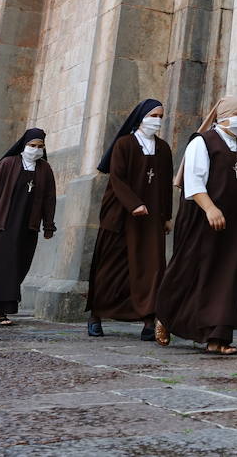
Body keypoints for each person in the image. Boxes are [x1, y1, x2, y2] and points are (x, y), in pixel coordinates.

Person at [154, 96, 237, 354]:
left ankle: (218, 337)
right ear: (223, 114)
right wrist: (210, 208)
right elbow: (193, 182)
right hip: (201, 218)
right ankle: (165, 315)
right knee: (188, 269)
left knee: (227, 276)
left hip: (234, 223)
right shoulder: (202, 142)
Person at [86, 99, 173, 339]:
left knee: (151, 266)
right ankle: (97, 314)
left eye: (160, 117)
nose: (157, 121)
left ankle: (148, 320)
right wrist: (134, 204)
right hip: (120, 215)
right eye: (153, 115)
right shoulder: (124, 144)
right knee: (110, 266)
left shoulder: (163, 148)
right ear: (141, 117)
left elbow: (165, 184)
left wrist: (167, 216)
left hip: (151, 217)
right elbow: (117, 179)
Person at [0, 128, 57, 326]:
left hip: (27, 228)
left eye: (40, 146)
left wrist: (48, 226)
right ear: (24, 145)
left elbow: (50, 200)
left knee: (17, 269)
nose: (36, 149)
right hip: (1, 226)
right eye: (32, 145)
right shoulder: (7, 164)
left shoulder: (45, 170)